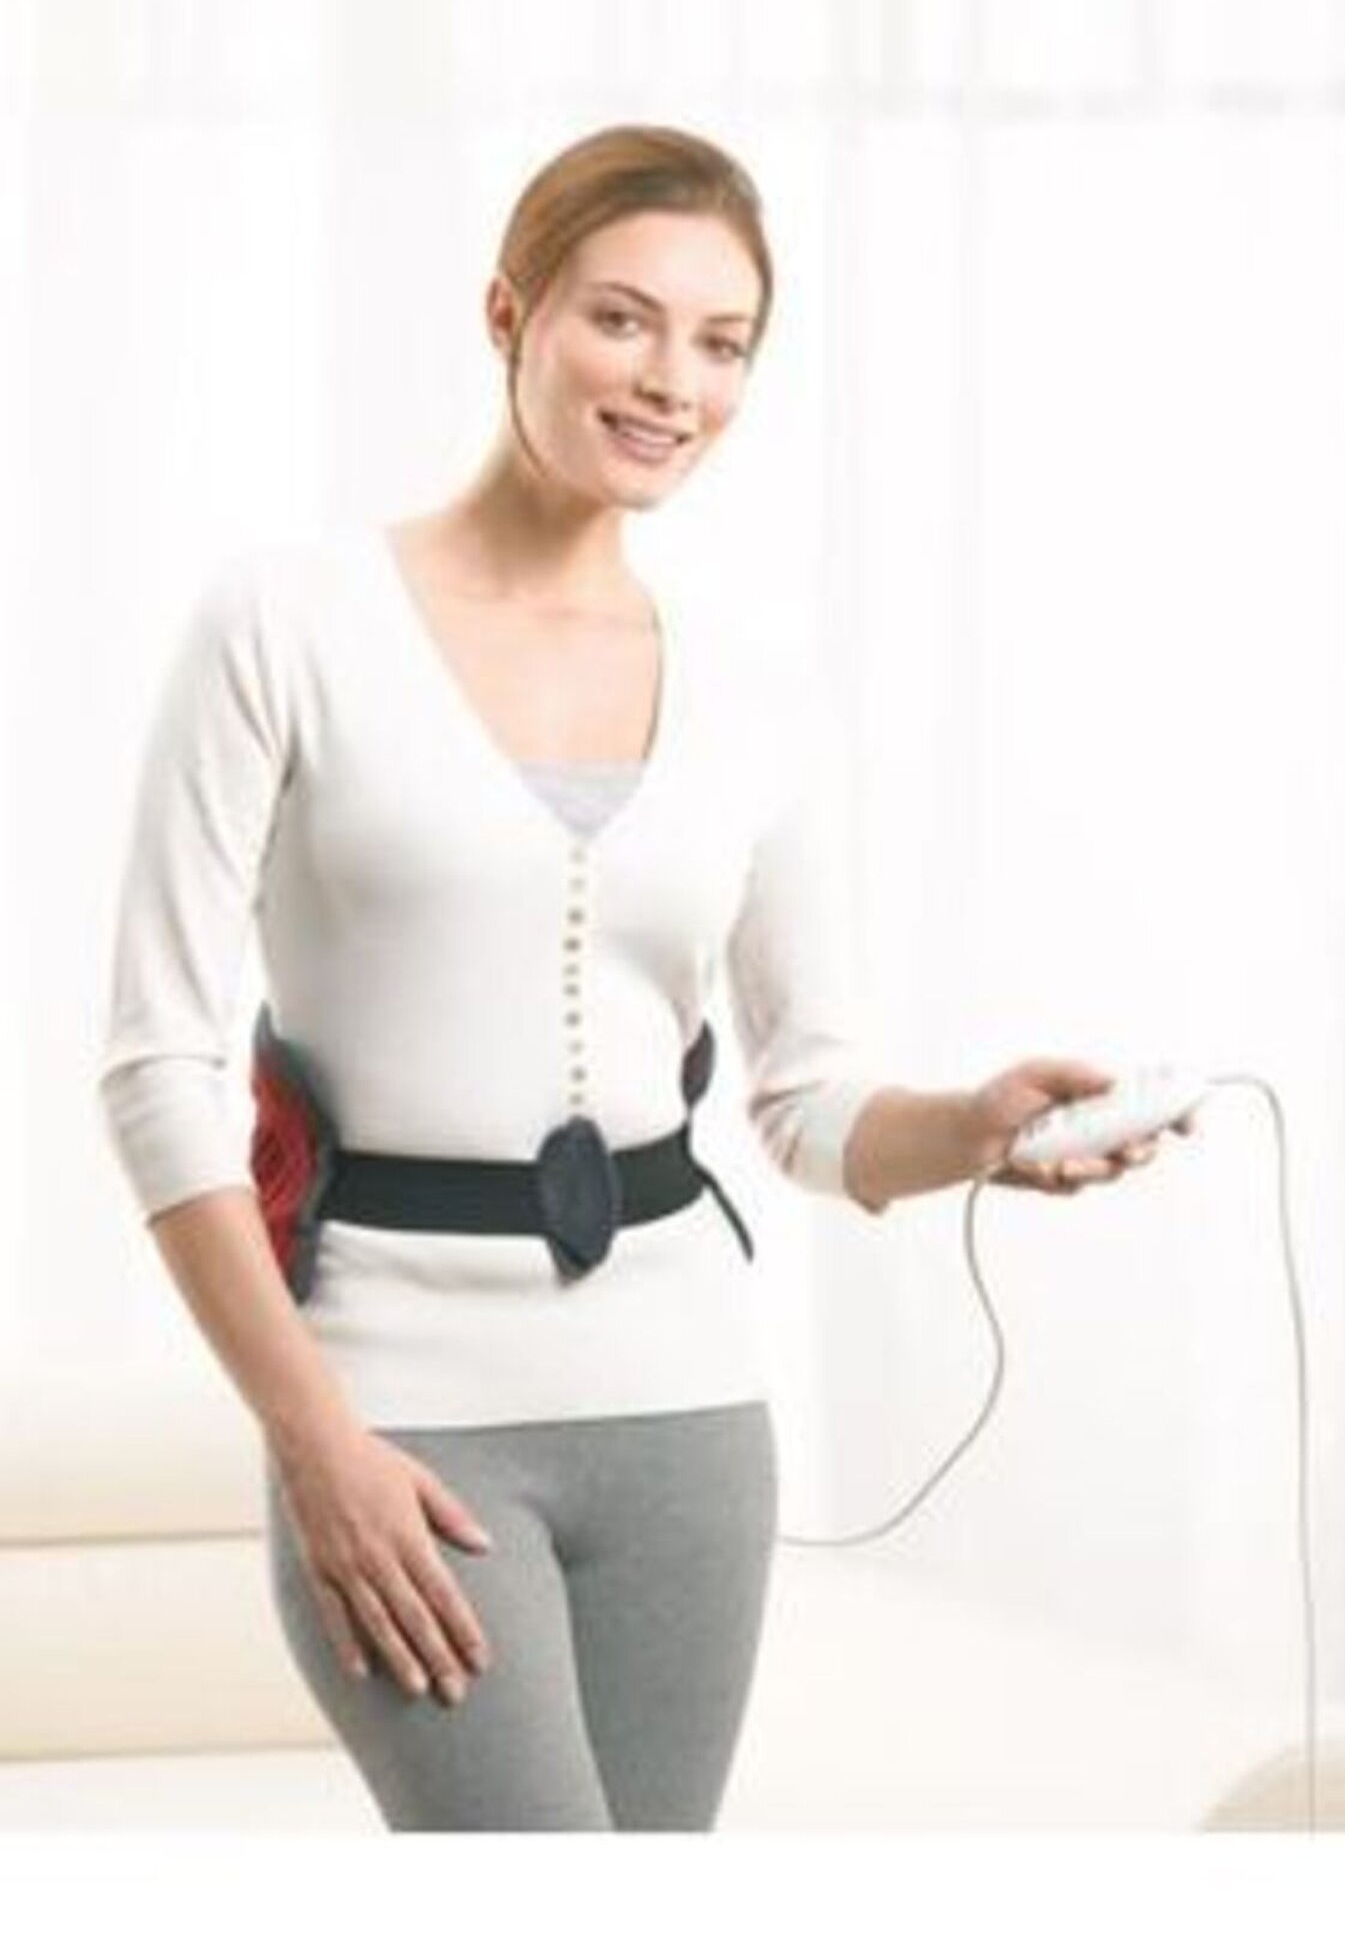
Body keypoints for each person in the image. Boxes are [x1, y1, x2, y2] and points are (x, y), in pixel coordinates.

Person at [95, 121, 1190, 1833]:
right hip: (395, 1415)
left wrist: (975, 1130)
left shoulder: (760, 696)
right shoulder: (286, 622)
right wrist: (315, 1443)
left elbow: (810, 1103)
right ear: (508, 313)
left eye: (722, 341)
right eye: (622, 319)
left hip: (687, 1417)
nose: (674, 381)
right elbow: (157, 1073)